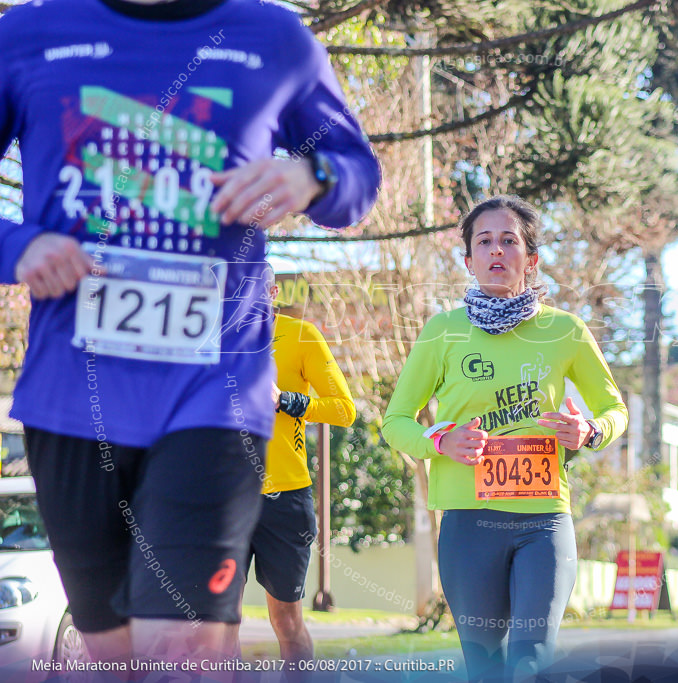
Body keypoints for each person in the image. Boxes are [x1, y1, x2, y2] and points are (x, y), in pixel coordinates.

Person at [0, 0, 379, 667]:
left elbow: (355, 171)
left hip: (217, 393)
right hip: (71, 398)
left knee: (183, 646)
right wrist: (20, 245)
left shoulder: (273, 36)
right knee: (114, 653)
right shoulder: (29, 32)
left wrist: (309, 174)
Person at [382, 195, 627, 682]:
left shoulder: (565, 331)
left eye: (509, 241)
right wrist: (440, 442)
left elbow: (614, 410)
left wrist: (590, 431)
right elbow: (396, 421)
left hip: (544, 520)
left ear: (530, 259)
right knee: (486, 665)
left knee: (532, 659)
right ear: (469, 260)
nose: (497, 251)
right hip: (468, 523)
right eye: (485, 241)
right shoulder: (443, 332)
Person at [228, 279, 356, 662]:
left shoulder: (301, 336)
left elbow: (343, 409)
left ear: (270, 292)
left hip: (284, 501)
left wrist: (285, 400)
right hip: (224, 502)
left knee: (286, 621)